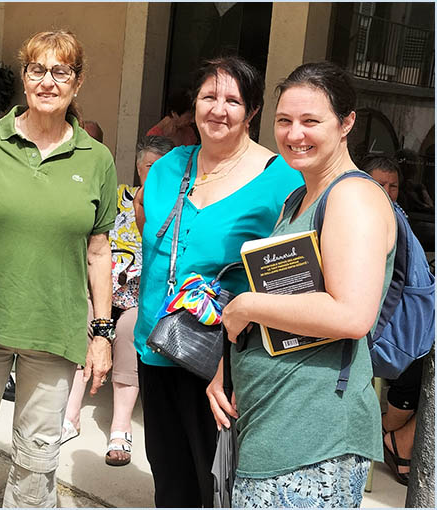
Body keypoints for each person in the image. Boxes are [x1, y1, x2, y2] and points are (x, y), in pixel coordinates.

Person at [0, 30, 116, 508]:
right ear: (24, 77)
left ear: (77, 81)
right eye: (37, 70)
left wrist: (101, 333)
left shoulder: (97, 159)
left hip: (54, 330)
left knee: (37, 461)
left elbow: (98, 252)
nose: (48, 82)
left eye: (61, 71)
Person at [208, 62, 395, 508]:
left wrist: (246, 306)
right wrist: (227, 364)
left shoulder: (352, 197)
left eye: (311, 121)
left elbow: (352, 314)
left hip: (314, 439)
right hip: (272, 424)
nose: (295, 135)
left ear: (346, 123)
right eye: (284, 120)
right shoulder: (298, 197)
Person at [134, 56, 303, 507]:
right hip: (157, 343)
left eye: (233, 100)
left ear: (252, 112)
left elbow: (290, 278)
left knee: (219, 484)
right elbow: (149, 230)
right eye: (209, 97)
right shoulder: (168, 167)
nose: (218, 109)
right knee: (169, 480)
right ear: (194, 104)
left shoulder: (282, 180)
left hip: (224, 358)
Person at [61, 135, 173, 467]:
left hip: (141, 297)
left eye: (164, 167)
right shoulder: (118, 196)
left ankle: (120, 427)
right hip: (102, 292)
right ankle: (70, 415)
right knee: (83, 320)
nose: (156, 172)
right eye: (150, 165)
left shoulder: (175, 208)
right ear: (139, 167)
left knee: (127, 330)